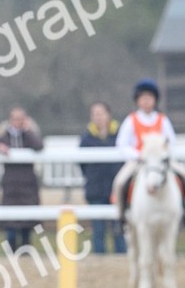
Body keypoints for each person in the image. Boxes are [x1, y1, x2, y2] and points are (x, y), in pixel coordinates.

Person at [111, 78, 185, 221]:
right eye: (143, 98)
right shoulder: (131, 120)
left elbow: (171, 142)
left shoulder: (162, 119)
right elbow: (122, 144)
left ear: (155, 100)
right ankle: (121, 216)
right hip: (139, 161)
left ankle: (180, 212)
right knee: (120, 182)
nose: (146, 101)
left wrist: (163, 156)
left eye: (149, 98)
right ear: (137, 100)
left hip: (160, 163)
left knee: (183, 175)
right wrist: (138, 155)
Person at [0, 108, 44, 252]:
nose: (18, 122)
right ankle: (11, 253)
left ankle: (26, 253)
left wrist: (27, 131)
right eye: (15, 118)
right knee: (11, 225)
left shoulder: (29, 136)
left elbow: (39, 145)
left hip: (28, 186)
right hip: (11, 186)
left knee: (27, 224)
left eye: (21, 118)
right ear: (10, 120)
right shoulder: (4, 136)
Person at [78, 102, 126, 254]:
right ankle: (100, 259)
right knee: (98, 229)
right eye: (94, 114)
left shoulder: (120, 135)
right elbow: (81, 162)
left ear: (108, 115)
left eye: (101, 113)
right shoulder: (86, 138)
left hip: (116, 189)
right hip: (96, 189)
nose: (98, 117)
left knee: (118, 229)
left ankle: (121, 258)